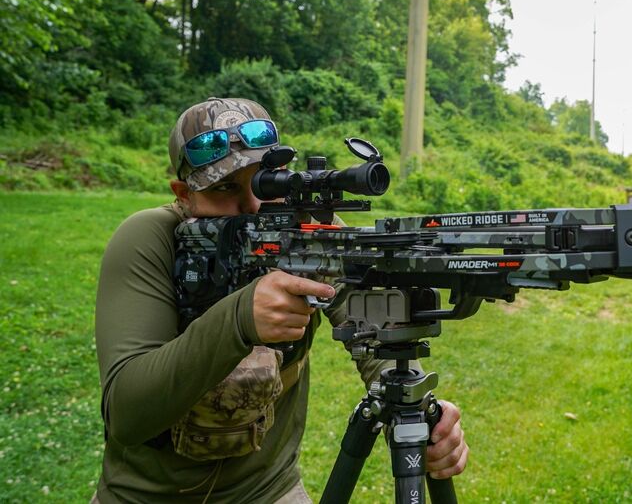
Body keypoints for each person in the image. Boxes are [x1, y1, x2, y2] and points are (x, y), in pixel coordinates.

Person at [93, 97, 468, 503]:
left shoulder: (308, 231)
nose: (254, 206)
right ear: (184, 194)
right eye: (225, 188)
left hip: (269, 490)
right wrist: (238, 320)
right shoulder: (150, 238)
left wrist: (420, 409)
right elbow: (127, 414)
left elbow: (375, 335)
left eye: (265, 182)